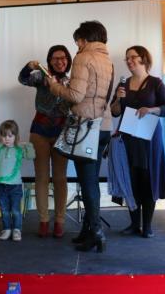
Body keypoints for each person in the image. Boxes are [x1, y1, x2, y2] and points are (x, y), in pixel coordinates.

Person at [47, 20, 113, 253]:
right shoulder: (107, 60)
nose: (76, 46)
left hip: (86, 127)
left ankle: (95, 232)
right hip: (103, 126)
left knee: (88, 182)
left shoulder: (84, 58)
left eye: (78, 41)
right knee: (91, 179)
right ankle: (87, 230)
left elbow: (75, 95)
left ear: (85, 39)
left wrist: (54, 86)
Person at [111, 46, 165, 238]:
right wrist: (118, 100)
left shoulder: (156, 83)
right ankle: (134, 223)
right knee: (131, 180)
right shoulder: (123, 84)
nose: (129, 61)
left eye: (132, 57)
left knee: (147, 180)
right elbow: (114, 112)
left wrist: (151, 109)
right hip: (128, 139)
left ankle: (147, 225)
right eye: (126, 58)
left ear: (143, 58)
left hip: (149, 140)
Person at [18, 45, 72, 238]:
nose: (60, 61)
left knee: (60, 178)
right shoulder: (42, 76)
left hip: (62, 133)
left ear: (68, 60)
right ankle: (43, 221)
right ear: (49, 61)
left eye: (63, 58)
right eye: (56, 58)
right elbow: (23, 79)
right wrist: (28, 66)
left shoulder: (73, 81)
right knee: (41, 177)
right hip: (39, 132)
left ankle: (59, 221)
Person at [0, 120, 35, 242]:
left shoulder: (18, 150)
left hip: (15, 186)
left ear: (15, 136)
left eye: (10, 136)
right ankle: (7, 229)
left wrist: (28, 145)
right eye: (4, 135)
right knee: (4, 210)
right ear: (1, 136)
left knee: (15, 210)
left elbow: (31, 156)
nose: (7, 138)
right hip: (1, 186)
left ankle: (17, 229)